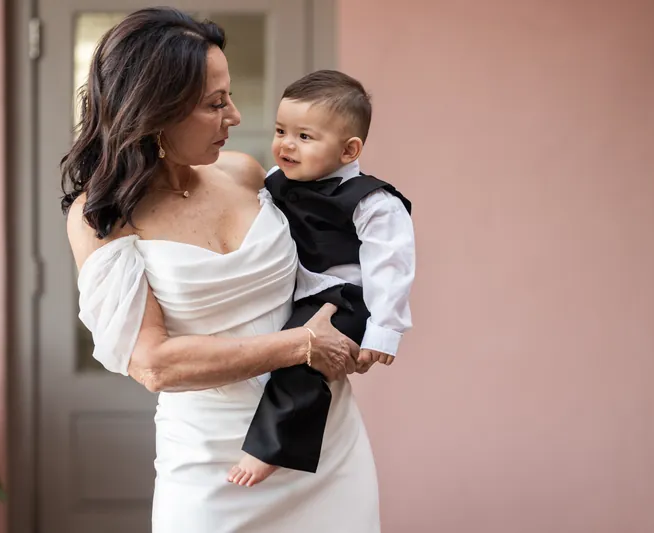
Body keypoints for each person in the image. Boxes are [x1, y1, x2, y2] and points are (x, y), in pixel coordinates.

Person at [62, 8, 381, 533]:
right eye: (214, 103)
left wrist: (359, 330)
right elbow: (154, 364)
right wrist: (302, 345)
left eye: (228, 95)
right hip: (213, 469)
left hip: (322, 444)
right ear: (155, 110)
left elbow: (331, 270)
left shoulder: (245, 172)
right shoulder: (103, 219)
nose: (234, 115)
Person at [232, 70, 416, 485]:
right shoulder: (274, 182)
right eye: (281, 130)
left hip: (346, 299)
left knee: (300, 360)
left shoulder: (373, 201)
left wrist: (383, 330)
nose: (286, 144)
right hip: (298, 295)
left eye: (305, 136)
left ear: (350, 150)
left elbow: (391, 265)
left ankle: (271, 448)